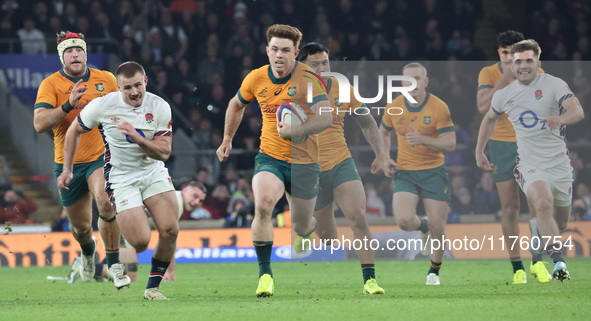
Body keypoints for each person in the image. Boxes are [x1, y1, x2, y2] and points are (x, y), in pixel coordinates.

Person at [216, 24, 332, 298]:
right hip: (270, 156)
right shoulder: (256, 78)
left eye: (286, 51)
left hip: (304, 163)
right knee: (264, 204)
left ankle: (305, 233)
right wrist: (227, 139)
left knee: (302, 225)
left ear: (295, 53)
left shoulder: (309, 80)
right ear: (267, 51)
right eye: (275, 49)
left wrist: (297, 130)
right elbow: (235, 104)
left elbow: (325, 117)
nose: (279, 55)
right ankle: (265, 274)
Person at [57, 61, 179, 300]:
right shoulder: (103, 106)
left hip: (153, 172)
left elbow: (164, 153)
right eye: (127, 87)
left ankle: (152, 288)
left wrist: (138, 138)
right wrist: (67, 169)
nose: (134, 92)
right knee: (141, 241)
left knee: (170, 230)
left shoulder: (160, 106)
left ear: (145, 81)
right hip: (122, 178)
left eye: (137, 85)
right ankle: (111, 256)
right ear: (118, 87)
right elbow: (73, 130)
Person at [475, 39, 584, 283]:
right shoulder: (504, 94)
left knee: (561, 221)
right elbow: (489, 118)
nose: (524, 66)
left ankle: (539, 235)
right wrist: (479, 151)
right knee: (542, 202)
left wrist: (562, 119)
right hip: (528, 164)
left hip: (559, 165)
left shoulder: (553, 84)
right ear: (511, 66)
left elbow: (577, 110)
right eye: (518, 62)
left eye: (529, 61)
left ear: (538, 63)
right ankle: (558, 261)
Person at [33, 31, 129, 289]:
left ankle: (115, 265)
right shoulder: (51, 84)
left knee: (106, 202)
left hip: (100, 156)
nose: (75, 54)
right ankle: (88, 252)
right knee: (81, 229)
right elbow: (39, 123)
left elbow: (125, 108)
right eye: (69, 51)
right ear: (61, 57)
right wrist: (67, 106)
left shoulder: (106, 79)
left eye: (79, 50)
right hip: (68, 163)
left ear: (86, 54)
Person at [296, 42, 387, 294]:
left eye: (325, 62)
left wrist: (380, 153)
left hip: (340, 161)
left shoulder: (342, 87)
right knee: (328, 239)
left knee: (358, 217)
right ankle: (305, 226)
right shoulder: (292, 90)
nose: (323, 68)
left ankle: (370, 280)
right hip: (309, 168)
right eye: (315, 64)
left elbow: (367, 123)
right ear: (302, 65)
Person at [476, 30, 551, 284]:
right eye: (505, 53)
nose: (510, 58)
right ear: (499, 53)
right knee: (509, 208)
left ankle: (537, 262)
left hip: (531, 144)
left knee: (535, 205)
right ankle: (517, 267)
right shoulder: (488, 73)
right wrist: (506, 78)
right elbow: (482, 107)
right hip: (501, 146)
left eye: (514, 52)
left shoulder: (536, 73)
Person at [379, 62, 456, 285]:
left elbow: (450, 144)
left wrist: (423, 140)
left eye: (418, 78)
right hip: (405, 171)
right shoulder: (394, 106)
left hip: (434, 172)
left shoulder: (439, 107)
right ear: (402, 83)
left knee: (438, 227)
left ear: (425, 81)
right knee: (403, 221)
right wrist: (386, 157)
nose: (413, 83)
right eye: (408, 80)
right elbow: (383, 132)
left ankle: (433, 272)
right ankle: (423, 227)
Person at [68, 181, 207, 283]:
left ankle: (98, 270)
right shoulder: (175, 202)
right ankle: (86, 266)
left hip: (121, 227)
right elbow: (167, 241)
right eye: (194, 196)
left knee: (128, 265)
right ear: (184, 190)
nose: (196, 202)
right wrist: (169, 271)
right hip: (121, 229)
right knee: (130, 275)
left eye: (200, 200)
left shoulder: (172, 198)